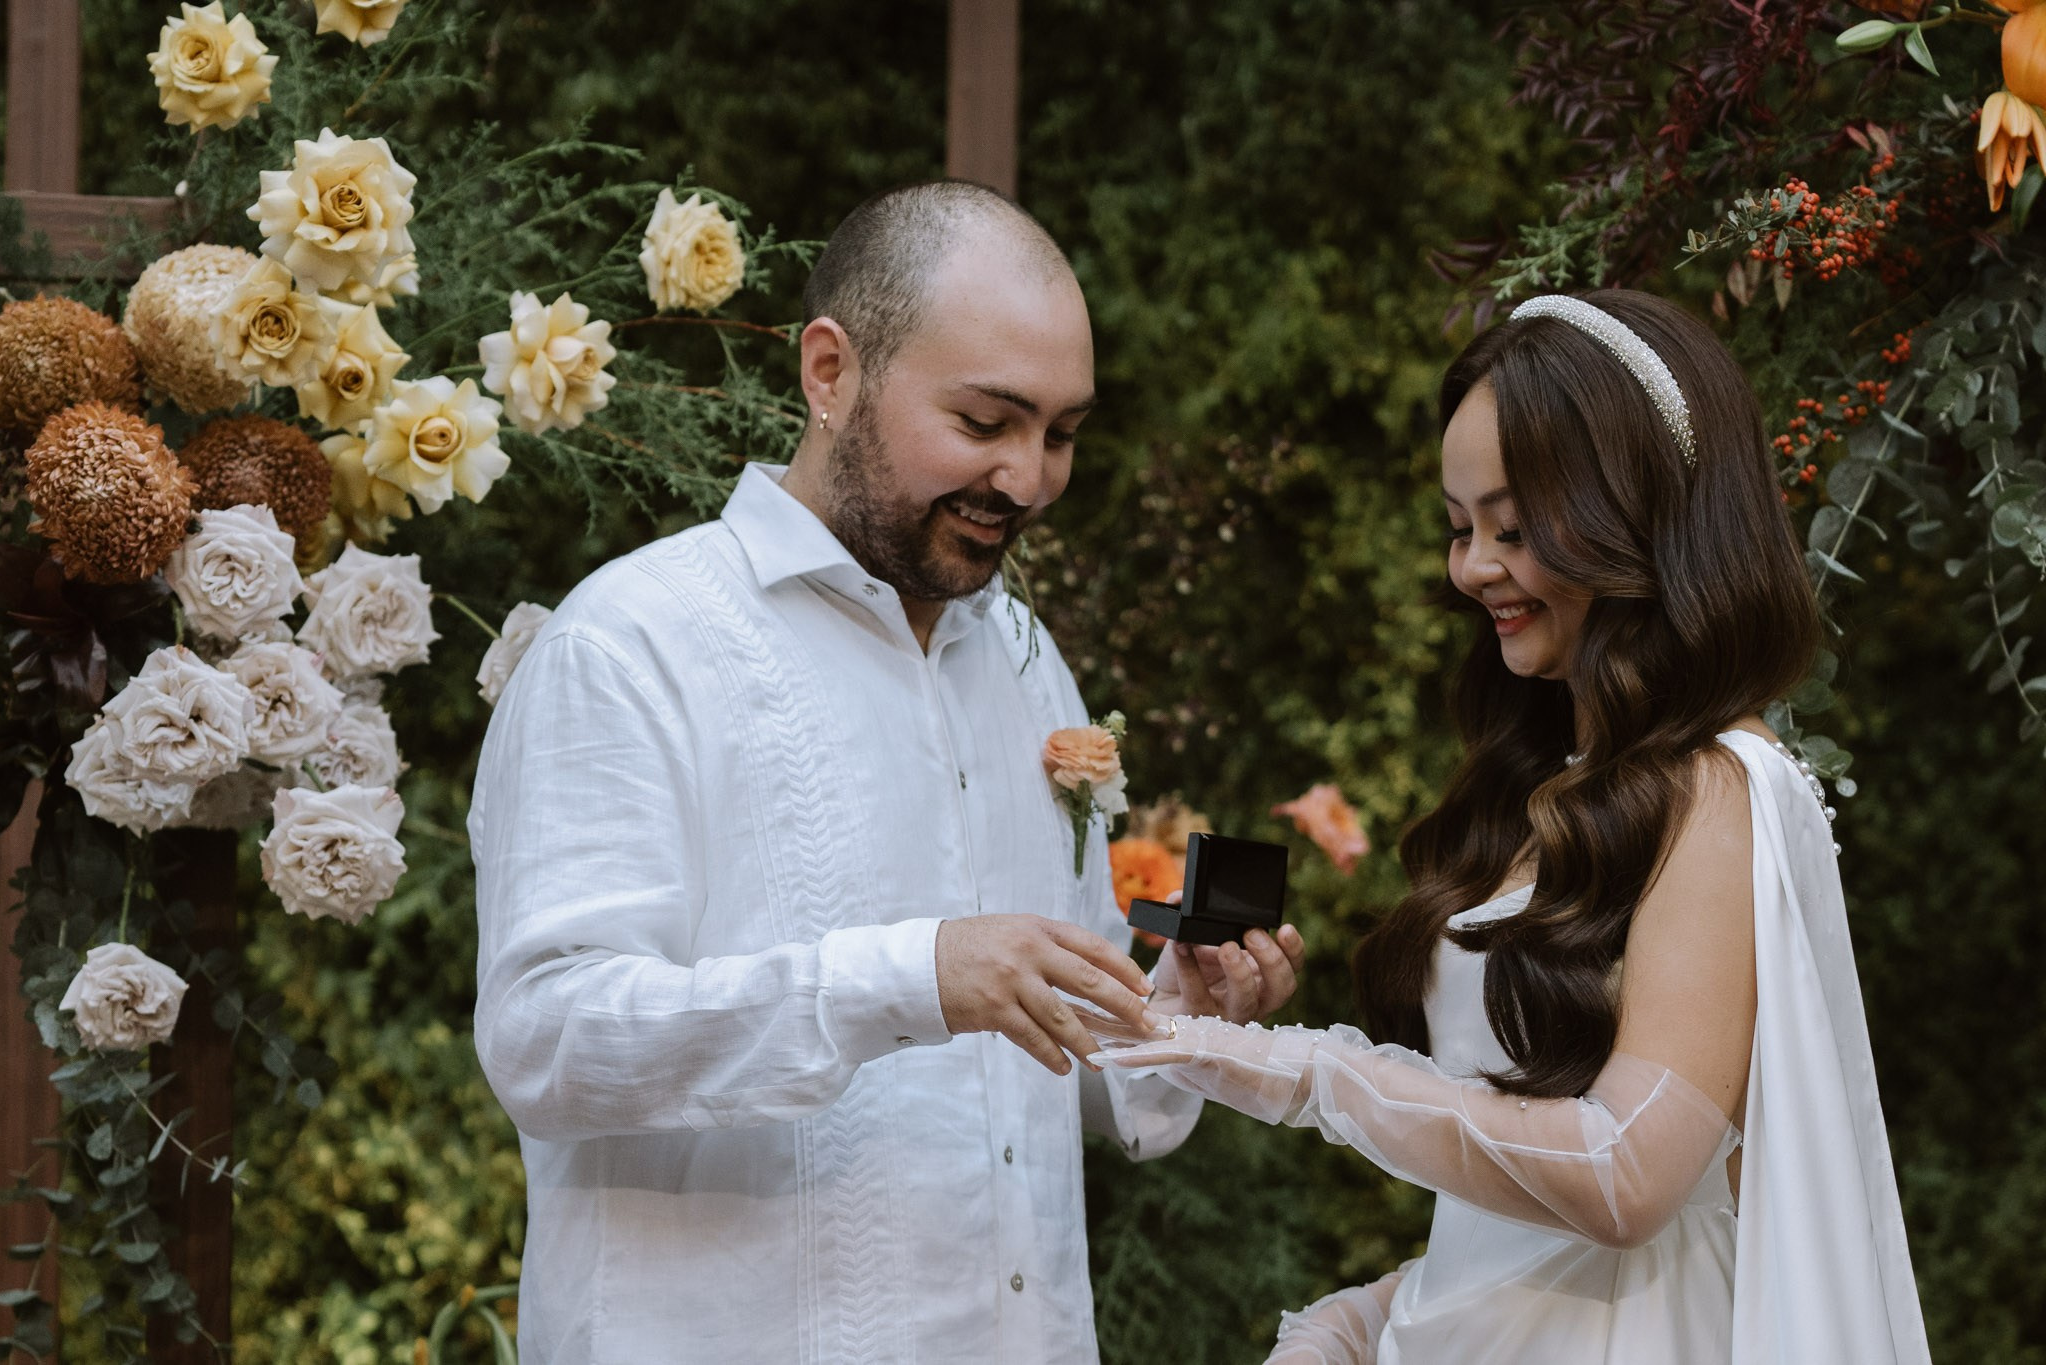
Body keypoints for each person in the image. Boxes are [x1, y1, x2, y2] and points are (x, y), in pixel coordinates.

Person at [468, 179, 1308, 1364]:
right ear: (830, 373)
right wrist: (907, 977)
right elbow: (547, 1043)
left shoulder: (1022, 660)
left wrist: (1177, 1014)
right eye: (985, 422)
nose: (1029, 478)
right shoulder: (631, 643)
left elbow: (1054, 1060)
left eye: (1060, 434)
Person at [1091, 290, 1932, 1364]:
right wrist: (1365, 1323)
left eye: (1513, 528)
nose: (1472, 568)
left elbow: (1628, 1177)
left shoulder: (1720, 790)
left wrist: (1306, 1074)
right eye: (1459, 528)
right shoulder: (1556, 787)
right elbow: (1517, 1225)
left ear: (1634, 519)